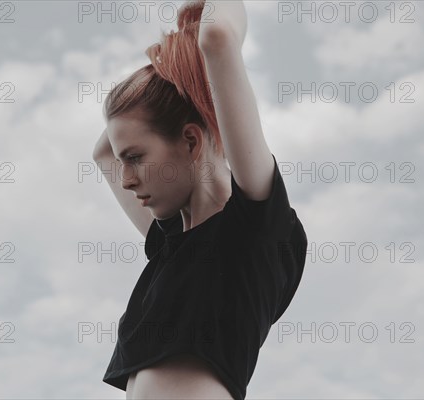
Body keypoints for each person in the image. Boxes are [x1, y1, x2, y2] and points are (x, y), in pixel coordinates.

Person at [92, 1, 308, 399]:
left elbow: (218, 36)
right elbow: (102, 152)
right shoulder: (170, 246)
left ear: (191, 140)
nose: (125, 179)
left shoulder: (252, 228)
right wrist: (172, 71)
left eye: (136, 158)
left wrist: (195, 33)